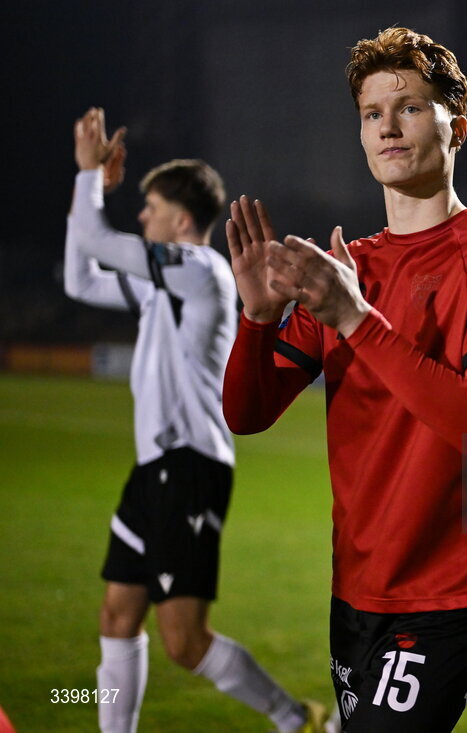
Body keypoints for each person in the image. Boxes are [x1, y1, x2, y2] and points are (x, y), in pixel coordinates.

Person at [221, 27, 467, 733]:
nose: (386, 127)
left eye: (407, 106)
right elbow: (246, 413)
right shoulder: (347, 267)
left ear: (456, 127)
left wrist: (355, 318)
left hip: (455, 583)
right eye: (371, 113)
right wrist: (255, 320)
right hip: (360, 584)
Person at [64, 109, 324, 733]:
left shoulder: (200, 272)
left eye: (149, 207)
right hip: (154, 468)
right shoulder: (162, 286)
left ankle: (299, 719)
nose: (141, 216)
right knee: (116, 616)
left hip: (190, 465)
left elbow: (97, 245)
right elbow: (79, 277)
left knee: (184, 642)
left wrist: (88, 177)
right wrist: (97, 189)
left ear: (182, 220)